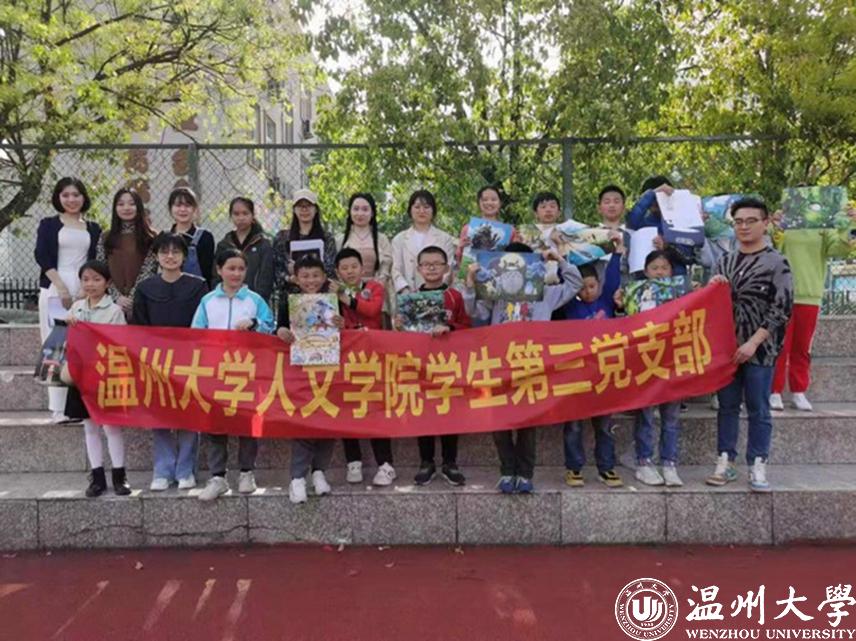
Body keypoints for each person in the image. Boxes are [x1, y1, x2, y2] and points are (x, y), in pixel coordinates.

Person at [463, 243, 582, 493]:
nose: (513, 270)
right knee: (499, 419)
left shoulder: (546, 293)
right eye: (507, 264)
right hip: (499, 364)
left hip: (532, 364)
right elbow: (475, 312)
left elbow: (575, 284)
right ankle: (507, 471)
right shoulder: (495, 292)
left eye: (520, 263)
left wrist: (559, 259)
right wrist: (471, 284)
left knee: (528, 420)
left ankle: (525, 474)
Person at [706, 197, 793, 492]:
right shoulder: (724, 261)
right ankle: (725, 460)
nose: (744, 227)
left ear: (765, 223)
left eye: (751, 221)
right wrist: (712, 288)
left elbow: (782, 308)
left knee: (758, 407)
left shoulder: (777, 262)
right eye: (739, 222)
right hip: (727, 349)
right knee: (727, 406)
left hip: (761, 349)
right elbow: (710, 305)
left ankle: (757, 463)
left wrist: (754, 343)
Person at [191, 248, 275, 501]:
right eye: (231, 268)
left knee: (247, 423)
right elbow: (195, 333)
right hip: (215, 372)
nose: (236, 273)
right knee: (215, 424)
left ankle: (247, 472)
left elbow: (270, 327)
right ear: (219, 270)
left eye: (241, 268)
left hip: (247, 372)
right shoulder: (207, 301)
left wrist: (255, 324)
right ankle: (218, 476)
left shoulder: (255, 301)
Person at [132, 232, 209, 491]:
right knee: (160, 414)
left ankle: (186, 470)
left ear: (184, 256)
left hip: (190, 360)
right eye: (164, 251)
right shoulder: (145, 288)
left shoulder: (198, 286)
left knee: (189, 414)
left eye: (176, 251)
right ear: (156, 256)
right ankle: (162, 470)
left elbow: (204, 324)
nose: (170, 256)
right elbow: (139, 327)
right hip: (156, 361)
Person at [397, 246, 471, 486]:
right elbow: (404, 336)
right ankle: (426, 462)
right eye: (426, 264)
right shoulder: (410, 299)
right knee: (424, 412)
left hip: (449, 365)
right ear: (418, 269)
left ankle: (450, 463)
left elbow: (467, 326)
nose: (431, 268)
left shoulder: (454, 297)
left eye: (437, 263)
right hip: (421, 365)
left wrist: (450, 328)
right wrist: (400, 326)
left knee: (450, 412)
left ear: (446, 267)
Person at [768, 207, 855, 411]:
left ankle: (798, 391)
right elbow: (772, 245)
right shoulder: (785, 223)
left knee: (802, 346)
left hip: (810, 295)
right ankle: (774, 391)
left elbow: (841, 249)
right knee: (779, 345)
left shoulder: (824, 228)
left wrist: (852, 224)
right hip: (782, 293)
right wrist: (775, 224)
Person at [614, 250, 685, 487]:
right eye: (654, 268)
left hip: (672, 362)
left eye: (664, 268)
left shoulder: (681, 293)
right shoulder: (636, 292)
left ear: (672, 271)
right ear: (645, 272)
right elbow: (625, 322)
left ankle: (669, 463)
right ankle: (644, 462)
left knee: (671, 417)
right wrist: (621, 304)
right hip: (645, 362)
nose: (659, 272)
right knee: (645, 415)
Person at [34, 177, 101, 423]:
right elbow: (42, 255)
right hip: (55, 288)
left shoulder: (93, 228)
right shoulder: (49, 224)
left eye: (75, 195)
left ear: (84, 197)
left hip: (85, 290)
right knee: (56, 345)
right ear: (58, 198)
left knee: (80, 348)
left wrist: (85, 290)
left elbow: (96, 260)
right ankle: (57, 409)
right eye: (65, 195)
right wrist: (61, 287)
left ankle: (78, 408)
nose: (71, 200)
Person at [562, 237, 625, 489]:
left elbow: (613, 277)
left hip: (603, 376)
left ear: (599, 285)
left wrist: (618, 253)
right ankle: (574, 467)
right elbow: (565, 279)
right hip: (575, 377)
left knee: (604, 427)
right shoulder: (569, 308)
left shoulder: (607, 301)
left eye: (591, 286)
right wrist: (560, 255)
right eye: (582, 288)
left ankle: (606, 468)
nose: (587, 291)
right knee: (573, 426)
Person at [330, 248, 395, 486]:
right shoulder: (330, 293)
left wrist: (345, 297)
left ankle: (385, 465)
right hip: (345, 359)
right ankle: (353, 461)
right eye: (344, 268)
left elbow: (372, 310)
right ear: (337, 271)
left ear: (362, 268)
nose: (350, 272)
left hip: (372, 358)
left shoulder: (374, 287)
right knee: (346, 407)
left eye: (354, 267)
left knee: (375, 407)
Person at [65, 260, 129, 497]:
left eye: (96, 279)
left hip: (106, 376)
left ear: (107, 283)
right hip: (81, 375)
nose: (90, 284)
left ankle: (120, 476)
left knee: (112, 427)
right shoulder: (76, 308)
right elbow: (65, 340)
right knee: (90, 428)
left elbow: (121, 344)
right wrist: (69, 325)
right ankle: (97, 477)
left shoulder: (114, 311)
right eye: (85, 279)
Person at [276, 255, 336, 504]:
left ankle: (319, 471)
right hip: (299, 369)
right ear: (296, 278)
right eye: (305, 276)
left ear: (324, 277)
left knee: (329, 419)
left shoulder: (334, 300)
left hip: (330, 367)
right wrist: (281, 331)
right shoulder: (288, 301)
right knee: (304, 420)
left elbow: (346, 331)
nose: (311, 280)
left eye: (315, 275)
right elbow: (279, 327)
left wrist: (341, 323)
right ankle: (298, 477)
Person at [96, 188, 158, 319]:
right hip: (111, 303)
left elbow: (149, 269)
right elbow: (101, 269)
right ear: (115, 208)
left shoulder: (151, 237)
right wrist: (116, 297)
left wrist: (132, 299)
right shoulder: (105, 237)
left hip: (142, 300)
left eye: (131, 203)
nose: (126, 208)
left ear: (139, 207)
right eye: (121, 204)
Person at [626, 175, 697, 277]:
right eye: (652, 198)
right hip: (645, 281)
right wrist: (652, 193)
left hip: (676, 280)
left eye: (660, 197)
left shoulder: (681, 222)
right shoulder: (641, 223)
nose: (655, 202)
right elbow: (632, 219)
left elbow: (688, 257)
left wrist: (668, 246)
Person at [391, 189, 457, 294]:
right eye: (417, 207)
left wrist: (434, 291)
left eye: (426, 207)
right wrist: (406, 291)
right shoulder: (399, 239)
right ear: (410, 210)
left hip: (437, 294)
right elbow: (396, 270)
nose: (422, 211)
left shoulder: (445, 238)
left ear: (433, 211)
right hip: (408, 295)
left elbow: (447, 269)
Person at [273, 189, 337, 294]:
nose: (304, 210)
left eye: (309, 205)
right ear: (294, 210)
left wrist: (311, 274)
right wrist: (290, 278)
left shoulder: (327, 238)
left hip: (321, 295)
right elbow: (277, 270)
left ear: (316, 209)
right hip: (291, 295)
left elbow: (330, 270)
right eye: (300, 206)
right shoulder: (282, 238)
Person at [214, 197, 274, 302]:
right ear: (231, 216)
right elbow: (216, 276)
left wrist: (258, 301)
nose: (241, 218)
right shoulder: (224, 245)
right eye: (236, 214)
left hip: (254, 301)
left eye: (245, 213)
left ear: (253, 215)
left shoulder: (263, 243)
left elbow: (266, 277)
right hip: (227, 300)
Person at [335, 193, 393, 296]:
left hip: (376, 292)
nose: (360, 213)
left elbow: (386, 266)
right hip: (348, 294)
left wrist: (376, 287)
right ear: (350, 212)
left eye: (365, 209)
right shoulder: (340, 240)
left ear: (372, 213)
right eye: (356, 209)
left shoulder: (382, 239)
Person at [454, 185, 517, 267]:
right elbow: (460, 263)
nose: (489, 203)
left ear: (500, 203)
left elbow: (516, 260)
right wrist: (460, 248)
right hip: (471, 273)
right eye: (485, 200)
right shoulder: (467, 229)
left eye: (493, 199)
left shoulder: (511, 231)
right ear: (478, 203)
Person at [168, 187, 215, 286]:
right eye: (178, 205)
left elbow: (208, 273)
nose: (183, 209)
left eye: (187, 205)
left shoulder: (205, 237)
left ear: (194, 209)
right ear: (170, 208)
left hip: (198, 291)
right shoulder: (165, 237)